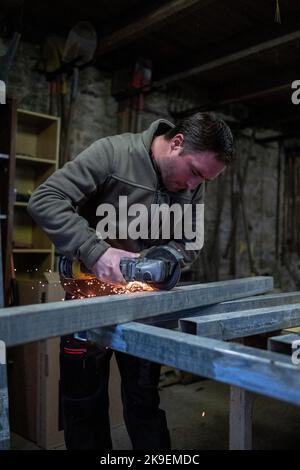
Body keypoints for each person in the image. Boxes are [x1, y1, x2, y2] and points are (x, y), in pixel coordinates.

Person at [27, 112, 234, 450]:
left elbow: (190, 244)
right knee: (84, 406)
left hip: (144, 308)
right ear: (177, 143)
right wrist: (96, 251)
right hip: (88, 302)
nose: (195, 185)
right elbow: (45, 200)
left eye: (205, 180)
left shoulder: (194, 186)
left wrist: (166, 260)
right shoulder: (111, 154)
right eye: (194, 172)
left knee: (145, 403)